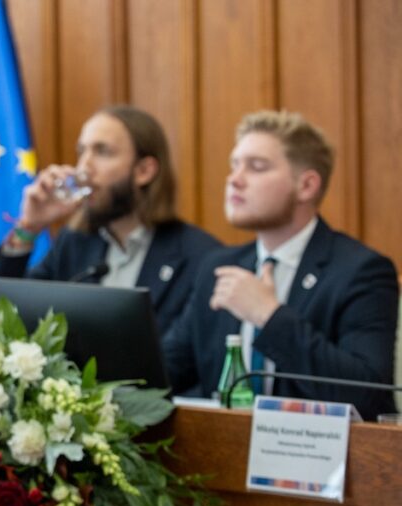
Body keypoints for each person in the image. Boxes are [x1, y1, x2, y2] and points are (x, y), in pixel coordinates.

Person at [163, 110, 399, 419]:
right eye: (234, 165)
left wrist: (268, 315)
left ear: (306, 186)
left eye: (256, 167)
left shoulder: (361, 271)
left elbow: (369, 397)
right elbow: (166, 372)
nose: (234, 180)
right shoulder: (217, 267)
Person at [0, 105, 221, 333]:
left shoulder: (200, 256)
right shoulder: (74, 242)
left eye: (102, 152)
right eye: (82, 151)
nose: (84, 167)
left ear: (144, 171)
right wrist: (29, 227)